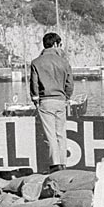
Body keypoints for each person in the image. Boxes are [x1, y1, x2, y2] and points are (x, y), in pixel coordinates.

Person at [30, 32, 73, 173]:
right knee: (61, 134)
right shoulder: (64, 62)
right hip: (60, 101)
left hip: (45, 101)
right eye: (60, 45)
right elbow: (69, 84)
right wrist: (66, 97)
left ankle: (55, 165)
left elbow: (34, 84)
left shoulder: (36, 62)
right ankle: (63, 164)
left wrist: (35, 99)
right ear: (55, 44)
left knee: (50, 136)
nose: (60, 48)